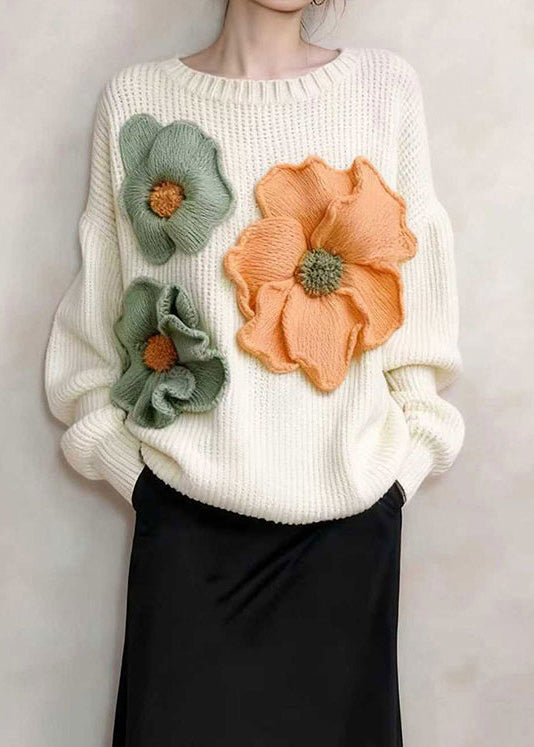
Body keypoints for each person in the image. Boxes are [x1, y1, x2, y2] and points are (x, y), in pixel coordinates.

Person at [44, 0, 465, 744]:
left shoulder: (384, 90)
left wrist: (395, 484)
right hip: (188, 544)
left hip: (347, 547)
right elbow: (92, 342)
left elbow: (418, 333)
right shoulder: (137, 100)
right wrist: (146, 489)